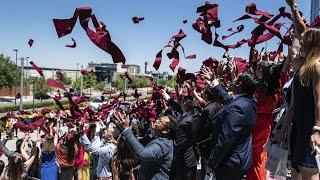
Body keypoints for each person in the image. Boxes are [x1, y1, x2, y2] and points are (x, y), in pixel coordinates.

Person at [202, 67, 258, 180]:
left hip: (229, 163)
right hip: (237, 159)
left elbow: (225, 139)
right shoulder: (247, 101)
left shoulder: (238, 107)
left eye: (236, 77)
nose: (234, 78)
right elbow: (228, 99)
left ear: (240, 83)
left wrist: (211, 162)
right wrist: (214, 81)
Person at [114, 112, 174, 180]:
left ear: (166, 130)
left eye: (160, 122)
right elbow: (137, 143)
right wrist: (124, 129)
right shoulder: (155, 137)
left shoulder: (163, 145)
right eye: (158, 119)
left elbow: (142, 153)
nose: (156, 121)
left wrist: (126, 130)